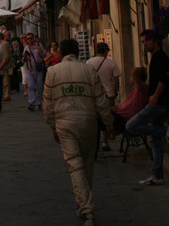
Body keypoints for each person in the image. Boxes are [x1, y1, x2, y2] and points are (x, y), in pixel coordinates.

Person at [43, 38, 115, 226]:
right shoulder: (88, 70)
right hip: (88, 121)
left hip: (65, 123)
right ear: (78, 52)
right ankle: (84, 204)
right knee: (87, 163)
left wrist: (52, 127)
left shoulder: (52, 72)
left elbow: (48, 105)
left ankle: (86, 208)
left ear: (60, 52)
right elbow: (101, 100)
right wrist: (108, 124)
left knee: (75, 165)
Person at [126, 30, 169, 186]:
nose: (144, 45)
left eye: (145, 42)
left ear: (155, 40)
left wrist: (155, 96)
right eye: (142, 43)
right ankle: (157, 174)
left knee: (131, 125)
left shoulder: (160, 57)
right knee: (155, 142)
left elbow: (164, 78)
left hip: (158, 104)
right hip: (157, 103)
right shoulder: (155, 57)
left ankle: (164, 131)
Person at [86, 41, 121, 151]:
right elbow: (116, 81)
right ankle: (105, 142)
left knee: (94, 119)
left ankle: (94, 142)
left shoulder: (89, 62)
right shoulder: (111, 63)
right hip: (108, 95)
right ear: (106, 51)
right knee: (107, 119)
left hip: (94, 96)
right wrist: (115, 93)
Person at [111, 66, 149, 134]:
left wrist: (136, 72)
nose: (130, 78)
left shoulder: (141, 88)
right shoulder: (135, 91)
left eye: (131, 76)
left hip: (126, 120)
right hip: (122, 117)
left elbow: (136, 76)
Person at [22, 33, 46, 111]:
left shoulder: (39, 45)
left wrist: (40, 49)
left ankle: (39, 102)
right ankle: (31, 102)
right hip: (30, 69)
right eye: (28, 39)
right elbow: (24, 59)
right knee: (31, 86)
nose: (29, 40)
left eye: (30, 38)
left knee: (39, 87)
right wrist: (24, 56)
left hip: (38, 69)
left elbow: (44, 55)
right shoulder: (26, 47)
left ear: (33, 38)